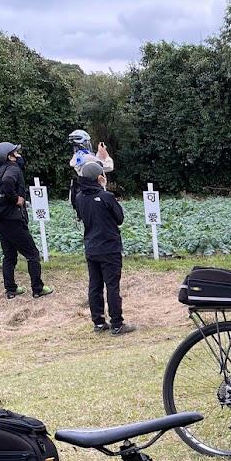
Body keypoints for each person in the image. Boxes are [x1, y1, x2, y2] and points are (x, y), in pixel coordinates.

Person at [72, 160, 135, 335]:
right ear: (99, 178)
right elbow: (119, 218)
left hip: (91, 247)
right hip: (109, 247)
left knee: (95, 285)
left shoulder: (79, 197)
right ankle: (117, 323)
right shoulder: (106, 197)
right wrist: (104, 191)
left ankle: (98, 322)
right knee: (112, 286)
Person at [0, 142, 53, 300]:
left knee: (9, 256)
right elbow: (7, 183)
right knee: (32, 254)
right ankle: (38, 288)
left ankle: (11, 289)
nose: (18, 155)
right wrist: (16, 199)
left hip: (0, 220)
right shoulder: (12, 169)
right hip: (13, 220)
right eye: (15, 153)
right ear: (9, 156)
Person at [67, 128, 114, 210]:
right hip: (95, 193)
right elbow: (108, 166)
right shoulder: (88, 158)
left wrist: (99, 154)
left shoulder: (76, 158)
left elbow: (94, 163)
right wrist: (105, 154)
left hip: (83, 195)